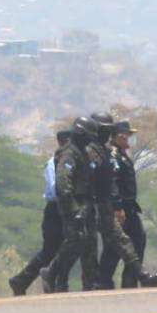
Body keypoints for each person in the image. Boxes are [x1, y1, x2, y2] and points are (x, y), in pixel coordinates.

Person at [89, 111, 157, 289]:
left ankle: (130, 280)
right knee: (114, 247)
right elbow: (113, 183)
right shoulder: (112, 155)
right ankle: (104, 282)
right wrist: (118, 207)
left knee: (138, 240)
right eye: (124, 135)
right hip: (120, 210)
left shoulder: (122, 155)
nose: (127, 139)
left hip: (130, 209)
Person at [42, 116, 101, 291]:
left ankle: (90, 283)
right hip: (73, 206)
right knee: (74, 241)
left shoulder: (82, 152)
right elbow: (63, 183)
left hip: (86, 204)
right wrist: (74, 209)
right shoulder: (69, 153)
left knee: (89, 244)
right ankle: (52, 272)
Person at [8, 129, 70, 296]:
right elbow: (54, 189)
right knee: (51, 250)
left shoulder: (70, 161)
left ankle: (43, 282)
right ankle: (21, 280)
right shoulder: (53, 163)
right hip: (55, 210)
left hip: (66, 209)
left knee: (62, 249)